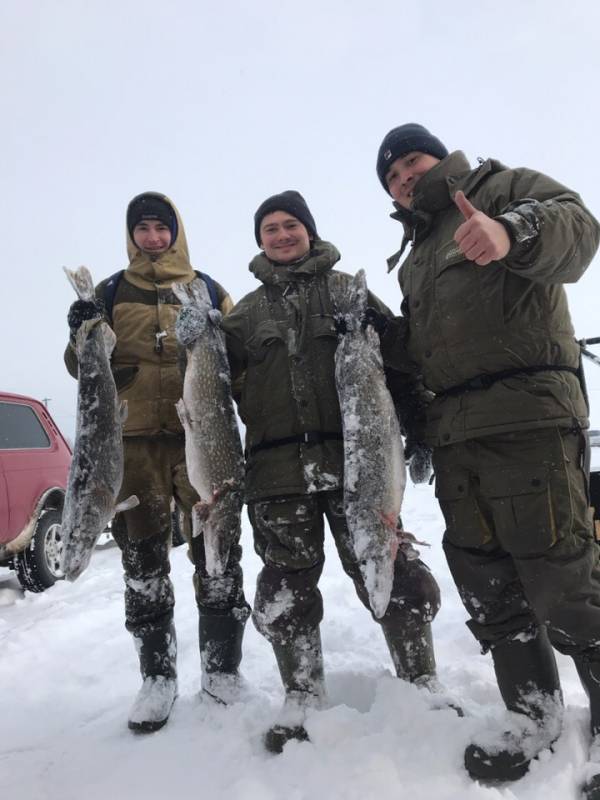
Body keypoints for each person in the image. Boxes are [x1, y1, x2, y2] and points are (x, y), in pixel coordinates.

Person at [375, 122, 600, 793]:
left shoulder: (500, 189)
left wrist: (510, 233)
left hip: (528, 420)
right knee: (490, 586)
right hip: (457, 439)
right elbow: (419, 355)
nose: (406, 177)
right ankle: (533, 715)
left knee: (563, 577)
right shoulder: (414, 257)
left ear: (440, 157)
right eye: (392, 175)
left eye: (413, 160)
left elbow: (578, 228)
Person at [222, 189, 445, 754]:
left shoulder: (349, 290)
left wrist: (418, 429)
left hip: (358, 469)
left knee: (396, 571)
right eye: (269, 228)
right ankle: (301, 694)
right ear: (260, 240)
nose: (281, 235)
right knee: (285, 590)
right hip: (276, 475)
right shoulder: (244, 314)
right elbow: (209, 381)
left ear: (309, 231)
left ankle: (421, 681)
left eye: (290, 225)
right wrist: (193, 338)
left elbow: (399, 359)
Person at [65, 191, 250, 732]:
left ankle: (222, 669)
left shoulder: (208, 290)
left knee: (217, 550)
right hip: (135, 445)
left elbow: (238, 361)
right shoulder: (110, 291)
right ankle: (157, 677)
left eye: (160, 228)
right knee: (142, 560)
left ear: (176, 231)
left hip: (204, 440)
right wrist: (81, 332)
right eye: (142, 228)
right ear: (132, 235)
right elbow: (83, 368)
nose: (152, 237)